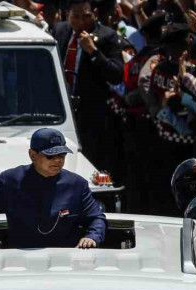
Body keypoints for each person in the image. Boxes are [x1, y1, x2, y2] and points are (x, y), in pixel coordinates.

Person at [0, 128, 106, 251]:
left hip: (64, 260)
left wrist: (92, 237)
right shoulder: (10, 180)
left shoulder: (77, 184)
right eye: (50, 156)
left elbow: (97, 218)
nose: (58, 160)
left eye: (62, 155)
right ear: (32, 155)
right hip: (19, 259)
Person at [52, 0, 124, 166]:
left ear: (95, 14)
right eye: (75, 16)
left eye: (86, 16)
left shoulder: (108, 36)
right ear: (67, 14)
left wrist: (93, 52)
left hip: (91, 115)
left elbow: (116, 75)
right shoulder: (59, 30)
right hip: (61, 111)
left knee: (89, 160)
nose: (81, 22)